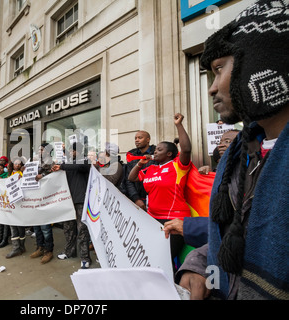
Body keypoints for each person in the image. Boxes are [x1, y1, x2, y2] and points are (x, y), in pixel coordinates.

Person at [177, 0, 289, 300]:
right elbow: (236, 237)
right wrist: (201, 264)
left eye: (218, 69)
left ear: (260, 64)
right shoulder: (240, 154)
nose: (212, 88)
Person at [128, 113, 192, 273]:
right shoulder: (150, 168)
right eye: (155, 150)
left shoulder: (177, 166)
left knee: (165, 260)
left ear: (169, 154)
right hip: (152, 219)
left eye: (159, 150)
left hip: (174, 220)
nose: (155, 152)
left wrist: (178, 125)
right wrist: (139, 164)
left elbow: (186, 149)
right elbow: (132, 178)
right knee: (152, 257)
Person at [53, 142, 92, 269]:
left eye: (73, 151)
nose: (71, 153)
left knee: (82, 230)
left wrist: (62, 166)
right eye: (69, 151)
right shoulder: (67, 165)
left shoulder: (84, 162)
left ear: (79, 152)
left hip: (80, 200)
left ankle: (85, 257)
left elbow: (79, 167)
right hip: (68, 200)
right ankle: (69, 251)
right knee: (68, 229)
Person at [31, 143, 56, 264]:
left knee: (45, 227)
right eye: (39, 149)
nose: (39, 151)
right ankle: (39, 247)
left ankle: (48, 251)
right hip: (35, 196)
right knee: (36, 225)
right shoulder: (35, 162)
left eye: (42, 149)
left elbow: (54, 175)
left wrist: (43, 175)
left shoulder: (51, 162)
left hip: (45, 197)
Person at [123, 130, 156, 211]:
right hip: (137, 199)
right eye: (135, 138)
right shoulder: (131, 155)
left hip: (154, 199)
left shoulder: (156, 153)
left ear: (148, 139)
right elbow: (128, 179)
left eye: (140, 138)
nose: (136, 140)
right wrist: (136, 198)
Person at [6, 158, 26, 259]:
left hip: (20, 203)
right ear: (12, 165)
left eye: (19, 164)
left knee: (20, 226)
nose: (17, 165)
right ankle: (16, 247)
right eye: (15, 163)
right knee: (13, 225)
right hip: (12, 204)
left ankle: (21, 247)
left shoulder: (22, 174)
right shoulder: (10, 174)